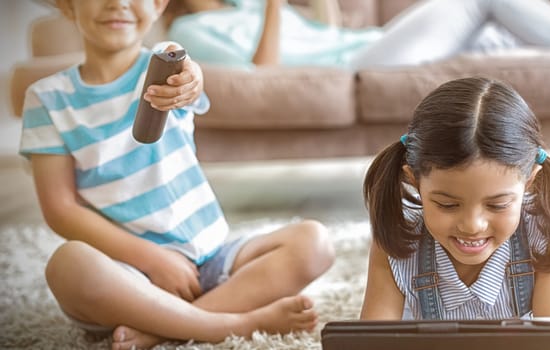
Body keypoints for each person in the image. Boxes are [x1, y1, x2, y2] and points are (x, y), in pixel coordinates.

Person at [19, 1, 335, 349]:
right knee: (67, 265)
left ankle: (165, 328)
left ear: (157, 5)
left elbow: (185, 68)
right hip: (130, 278)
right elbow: (60, 210)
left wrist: (191, 77)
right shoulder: (46, 99)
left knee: (314, 242)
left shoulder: (165, 67)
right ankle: (237, 322)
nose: (118, 3)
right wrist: (152, 259)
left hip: (213, 259)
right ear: (68, 5)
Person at [359, 76, 550, 349]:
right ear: (414, 181)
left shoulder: (545, 235)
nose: (472, 225)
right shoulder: (397, 241)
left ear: (529, 183)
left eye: (497, 205)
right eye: (448, 204)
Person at [164, 0, 550, 70]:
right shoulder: (193, 29)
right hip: (355, 70)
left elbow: (326, 32)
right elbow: (266, 75)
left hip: (363, 47)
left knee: (502, 40)